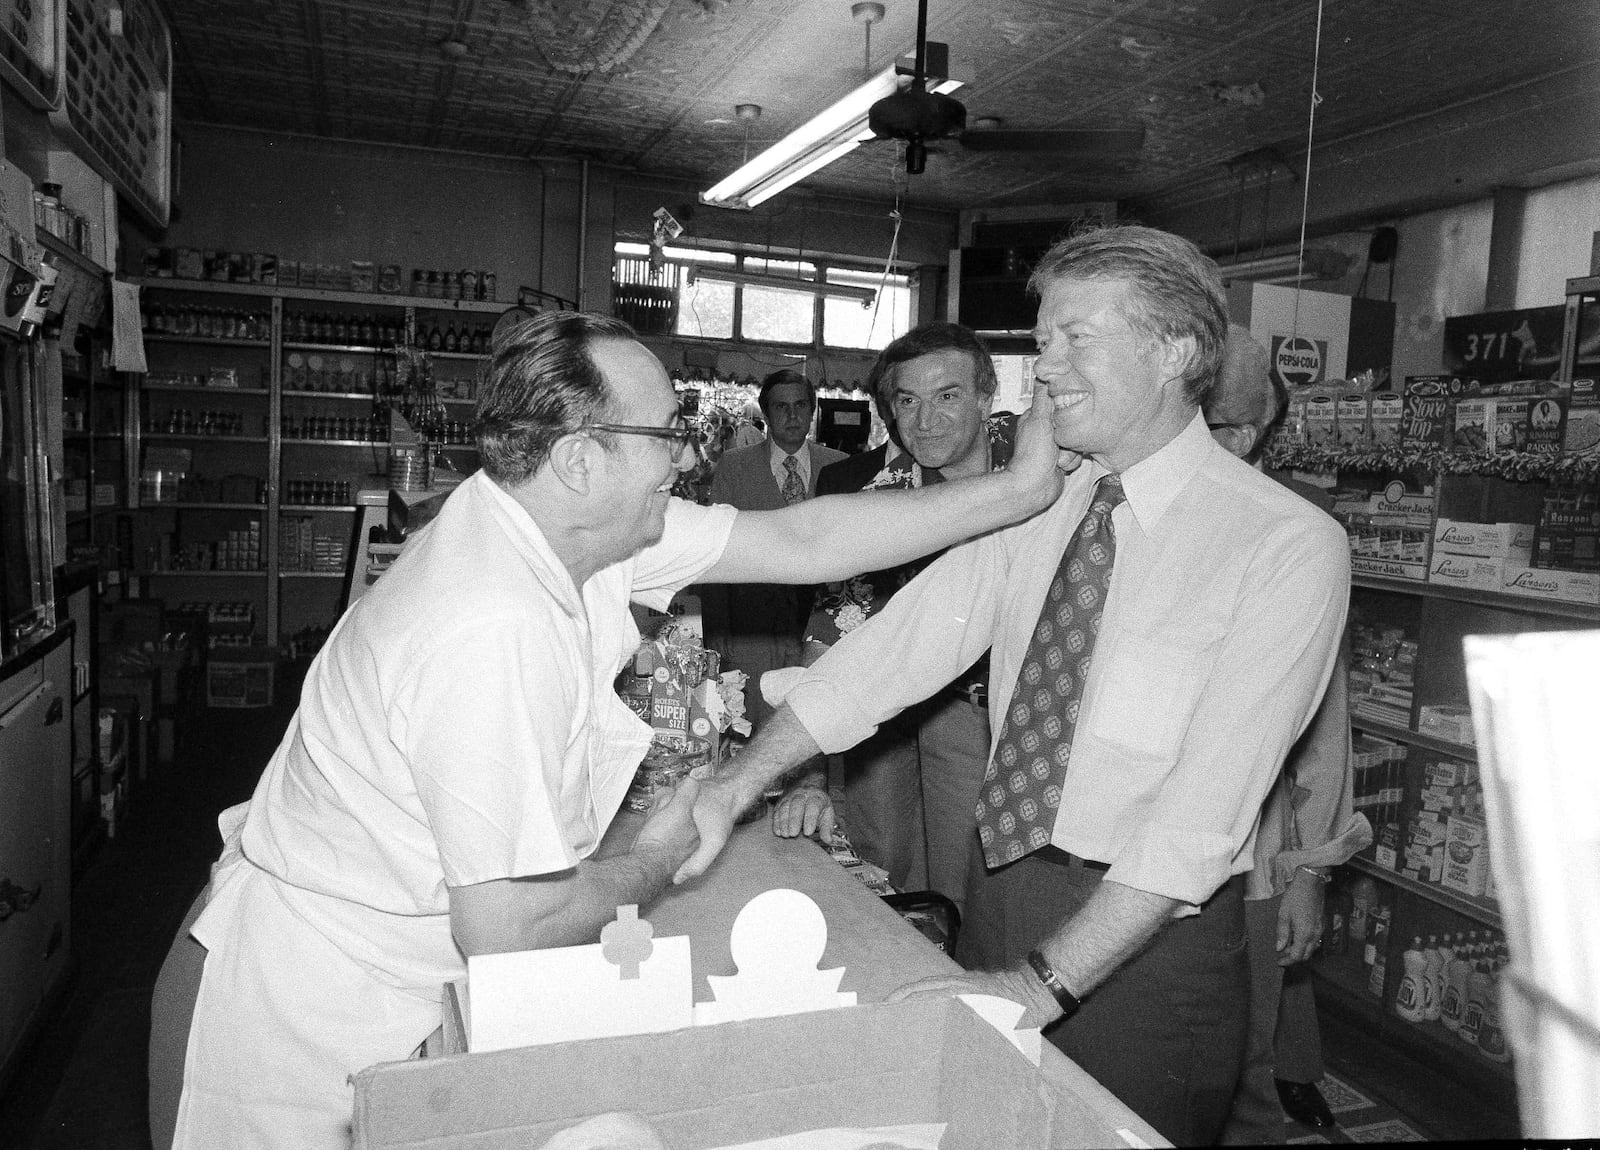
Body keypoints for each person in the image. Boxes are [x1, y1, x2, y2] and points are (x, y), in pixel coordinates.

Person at [156, 311, 1068, 1150]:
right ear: (582, 456)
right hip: (298, 1016)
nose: (684, 459)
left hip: (390, 976)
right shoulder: (488, 623)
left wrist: (1020, 492)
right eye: (668, 434)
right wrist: (653, 860)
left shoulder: (569, 527)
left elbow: (803, 541)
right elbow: (508, 927)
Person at [679, 225, 1351, 1146]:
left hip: (1148, 941)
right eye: (1042, 343)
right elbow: (894, 652)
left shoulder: (1282, 543)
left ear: (1176, 351)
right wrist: (739, 781)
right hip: (996, 885)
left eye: (1077, 340)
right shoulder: (1042, 500)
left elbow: (1202, 816)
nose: (1045, 371)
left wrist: (1036, 986)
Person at [774, 322, 1013, 906]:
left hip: (987, 716)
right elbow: (829, 637)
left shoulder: (1040, 475)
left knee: (971, 887)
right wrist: (806, 777)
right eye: (908, 400)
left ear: (986, 398)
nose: (925, 420)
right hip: (886, 718)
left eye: (947, 396)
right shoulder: (883, 498)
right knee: (876, 876)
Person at [1206, 326, 1373, 1144]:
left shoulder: (1297, 535)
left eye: (1232, 425)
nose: (1221, 442)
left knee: (1243, 1073)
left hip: (1252, 860)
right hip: (1122, 859)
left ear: (1258, 427)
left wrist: (1311, 871)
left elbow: (1322, 730)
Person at [701, 369, 846, 728]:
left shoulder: (841, 467)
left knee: (818, 725)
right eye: (781, 406)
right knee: (752, 726)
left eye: (800, 405)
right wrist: (719, 635)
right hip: (753, 627)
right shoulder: (734, 468)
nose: (791, 415)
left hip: (822, 628)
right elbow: (717, 554)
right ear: (765, 415)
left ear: (812, 410)